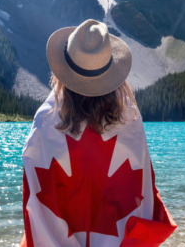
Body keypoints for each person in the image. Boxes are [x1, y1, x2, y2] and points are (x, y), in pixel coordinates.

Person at [21, 19, 176, 247]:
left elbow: (34, 199)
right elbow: (143, 188)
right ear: (111, 73)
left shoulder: (46, 120)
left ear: (63, 70)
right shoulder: (130, 118)